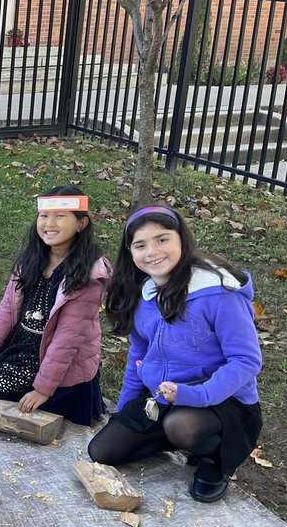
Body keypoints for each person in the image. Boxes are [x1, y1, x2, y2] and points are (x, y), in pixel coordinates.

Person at [87, 206, 263, 503]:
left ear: (182, 239)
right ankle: (173, 436)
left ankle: (213, 459)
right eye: (140, 245)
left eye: (162, 239)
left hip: (222, 401)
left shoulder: (219, 293)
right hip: (164, 394)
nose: (152, 252)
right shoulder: (143, 293)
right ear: (130, 252)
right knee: (102, 452)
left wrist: (196, 396)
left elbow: (246, 361)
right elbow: (139, 354)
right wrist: (125, 408)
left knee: (183, 426)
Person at [0, 188, 110, 425]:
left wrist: (43, 389)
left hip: (49, 355)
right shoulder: (33, 258)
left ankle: (51, 399)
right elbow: (7, 309)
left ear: (81, 224)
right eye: (44, 216)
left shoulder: (87, 275)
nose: (49, 223)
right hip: (22, 343)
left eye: (60, 216)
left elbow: (67, 339)